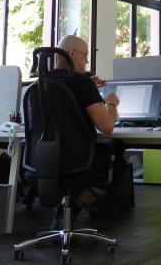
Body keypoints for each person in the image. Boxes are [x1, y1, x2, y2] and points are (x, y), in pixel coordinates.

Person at [42, 35, 126, 227]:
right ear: (72, 52)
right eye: (85, 56)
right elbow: (107, 126)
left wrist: (89, 91)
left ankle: (63, 209)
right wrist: (111, 103)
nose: (87, 62)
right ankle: (73, 209)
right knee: (117, 163)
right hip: (78, 160)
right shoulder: (81, 82)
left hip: (44, 159)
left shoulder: (40, 82)